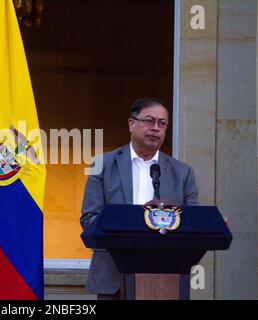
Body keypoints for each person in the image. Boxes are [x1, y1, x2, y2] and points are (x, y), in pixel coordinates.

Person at [80, 98, 199, 299]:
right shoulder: (103, 164)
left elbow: (192, 222)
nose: (155, 128)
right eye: (149, 121)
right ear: (131, 124)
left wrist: (209, 222)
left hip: (165, 278)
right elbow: (89, 219)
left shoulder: (182, 172)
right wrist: (133, 225)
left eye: (162, 123)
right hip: (113, 276)